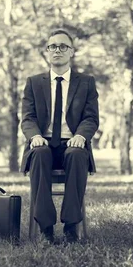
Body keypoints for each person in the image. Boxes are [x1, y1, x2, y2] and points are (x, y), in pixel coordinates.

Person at [20, 29, 99, 244]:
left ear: (72, 52)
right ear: (47, 52)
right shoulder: (34, 82)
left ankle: (71, 227)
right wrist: (35, 136)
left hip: (72, 143)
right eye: (53, 46)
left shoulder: (86, 82)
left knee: (76, 154)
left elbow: (91, 118)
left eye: (63, 46)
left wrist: (81, 136)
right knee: (39, 153)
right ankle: (45, 229)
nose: (57, 50)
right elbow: (27, 118)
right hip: (42, 143)